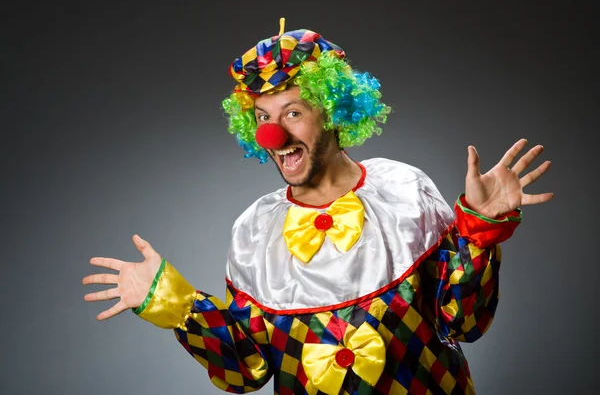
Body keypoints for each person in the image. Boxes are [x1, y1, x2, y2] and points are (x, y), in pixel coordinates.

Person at [83, 19, 552, 395]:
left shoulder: (403, 189)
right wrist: (175, 304)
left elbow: (464, 322)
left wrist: (479, 229)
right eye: (262, 118)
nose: (273, 135)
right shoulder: (254, 233)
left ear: (331, 109)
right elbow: (247, 370)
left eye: (292, 113)